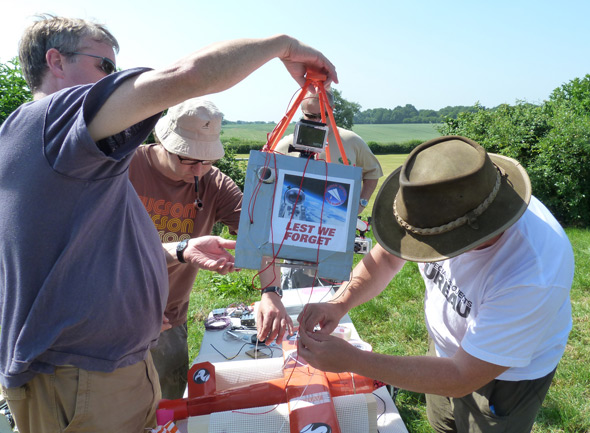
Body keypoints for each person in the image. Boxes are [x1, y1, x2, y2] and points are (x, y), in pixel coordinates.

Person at [0, 14, 336, 433]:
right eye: (104, 66)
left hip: (108, 364)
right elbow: (187, 75)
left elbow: (89, 252)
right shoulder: (55, 123)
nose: (114, 78)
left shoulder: (79, 158)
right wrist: (284, 45)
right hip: (83, 375)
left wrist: (180, 253)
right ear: (56, 61)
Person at [297, 136, 574, 432]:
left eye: (431, 242)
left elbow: (462, 376)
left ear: (471, 232)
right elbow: (388, 259)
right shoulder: (446, 198)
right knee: (442, 424)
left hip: (503, 379)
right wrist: (340, 302)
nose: (425, 249)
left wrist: (354, 360)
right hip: (445, 356)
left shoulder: (532, 273)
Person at [129, 98, 292, 399]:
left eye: (207, 160)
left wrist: (271, 292)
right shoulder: (124, 169)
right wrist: (124, 307)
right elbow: (90, 245)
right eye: (189, 159)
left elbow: (259, 236)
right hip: (112, 314)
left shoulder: (215, 184)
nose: (199, 170)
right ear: (162, 141)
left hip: (168, 318)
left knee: (166, 403)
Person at [274, 90, 383, 289]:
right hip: (298, 230)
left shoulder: (351, 141)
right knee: (295, 287)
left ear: (332, 111)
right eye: (309, 116)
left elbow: (372, 173)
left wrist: (360, 204)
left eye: (322, 115)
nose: (316, 121)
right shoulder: (288, 144)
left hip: (335, 230)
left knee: (332, 290)